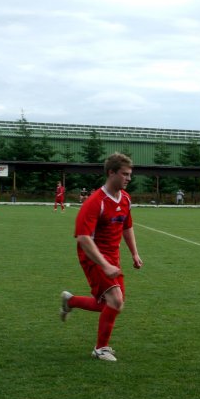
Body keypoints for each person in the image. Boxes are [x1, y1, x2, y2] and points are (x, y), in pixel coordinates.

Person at [60, 152, 143, 362]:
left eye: (130, 174)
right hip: (93, 256)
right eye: (125, 174)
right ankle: (100, 348)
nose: (128, 178)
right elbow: (83, 238)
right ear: (111, 173)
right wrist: (104, 264)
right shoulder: (96, 201)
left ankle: (71, 301)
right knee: (115, 301)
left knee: (114, 304)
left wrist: (134, 253)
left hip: (111, 258)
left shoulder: (125, 199)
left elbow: (127, 226)